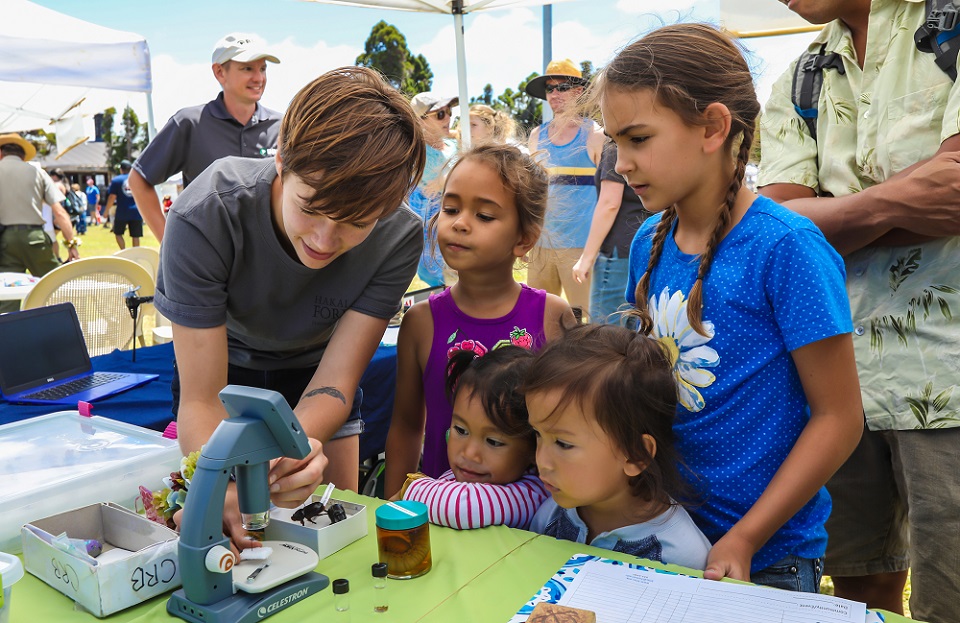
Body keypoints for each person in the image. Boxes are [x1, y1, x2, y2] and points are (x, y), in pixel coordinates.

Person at [597, 24, 863, 591]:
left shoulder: (785, 248)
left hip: (764, 558)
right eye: (614, 141)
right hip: (663, 534)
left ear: (714, 127)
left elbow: (839, 419)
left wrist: (746, 536)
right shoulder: (649, 240)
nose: (620, 162)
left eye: (638, 138)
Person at [154, 67, 426, 548]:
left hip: (316, 370)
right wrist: (225, 481)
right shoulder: (207, 213)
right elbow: (201, 397)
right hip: (226, 373)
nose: (324, 240)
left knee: (336, 540)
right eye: (310, 207)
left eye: (356, 223)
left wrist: (292, 456)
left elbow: (337, 379)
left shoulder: (398, 236)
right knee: (225, 522)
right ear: (281, 160)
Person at [759, 1, 960, 618]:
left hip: (950, 379)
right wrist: (902, 202)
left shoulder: (949, 30)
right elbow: (779, 230)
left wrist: (834, 213)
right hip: (840, 380)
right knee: (858, 592)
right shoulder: (802, 73)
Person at [384, 143, 575, 497]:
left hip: (530, 521)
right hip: (442, 514)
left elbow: (572, 428)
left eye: (484, 216)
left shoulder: (551, 316)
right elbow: (408, 426)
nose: (459, 223)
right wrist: (394, 513)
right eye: (450, 208)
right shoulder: (421, 322)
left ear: (524, 239)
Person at [525, 323, 712, 571]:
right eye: (537, 434)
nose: (542, 461)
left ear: (636, 454)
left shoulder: (681, 558)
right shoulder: (549, 516)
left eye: (563, 443)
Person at [130, 32, 282, 242]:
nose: (259, 78)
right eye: (247, 68)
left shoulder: (284, 127)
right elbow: (138, 179)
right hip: (204, 261)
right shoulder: (189, 123)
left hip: (267, 263)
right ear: (220, 72)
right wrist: (170, 243)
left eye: (263, 69)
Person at [399, 345, 548, 530]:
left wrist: (408, 489)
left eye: (493, 441)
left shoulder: (532, 493)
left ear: (533, 448)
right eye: (461, 430)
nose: (469, 453)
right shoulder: (465, 475)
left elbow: (460, 508)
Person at [526, 59, 605, 318]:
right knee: (537, 318)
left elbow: (610, 196)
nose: (554, 94)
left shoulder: (595, 135)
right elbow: (531, 191)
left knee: (588, 323)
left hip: (580, 246)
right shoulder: (536, 135)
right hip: (541, 243)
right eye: (550, 89)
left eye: (562, 87)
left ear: (578, 91)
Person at [572, 139, 649, 324]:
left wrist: (586, 258)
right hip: (649, 245)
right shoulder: (650, 140)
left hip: (619, 252)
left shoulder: (616, 143)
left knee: (605, 337)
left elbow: (610, 204)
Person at [0, 134, 80, 312]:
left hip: (5, 241)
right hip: (34, 238)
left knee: (6, 296)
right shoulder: (37, 172)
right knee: (55, 287)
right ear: (23, 155)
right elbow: (59, 212)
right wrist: (71, 244)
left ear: (1, 153)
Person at [409, 91, 459, 287]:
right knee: (434, 277)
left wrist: (444, 180)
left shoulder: (453, 146)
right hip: (429, 234)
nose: (448, 118)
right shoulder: (416, 151)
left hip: (453, 227)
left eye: (448, 112)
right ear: (420, 121)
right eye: (440, 114)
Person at [105, 160, 143, 250]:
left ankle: (123, 251)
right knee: (135, 235)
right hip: (136, 210)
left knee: (118, 233)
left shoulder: (116, 180)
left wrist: (106, 211)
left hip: (122, 210)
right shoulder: (138, 179)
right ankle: (136, 253)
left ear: (121, 169)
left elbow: (112, 197)